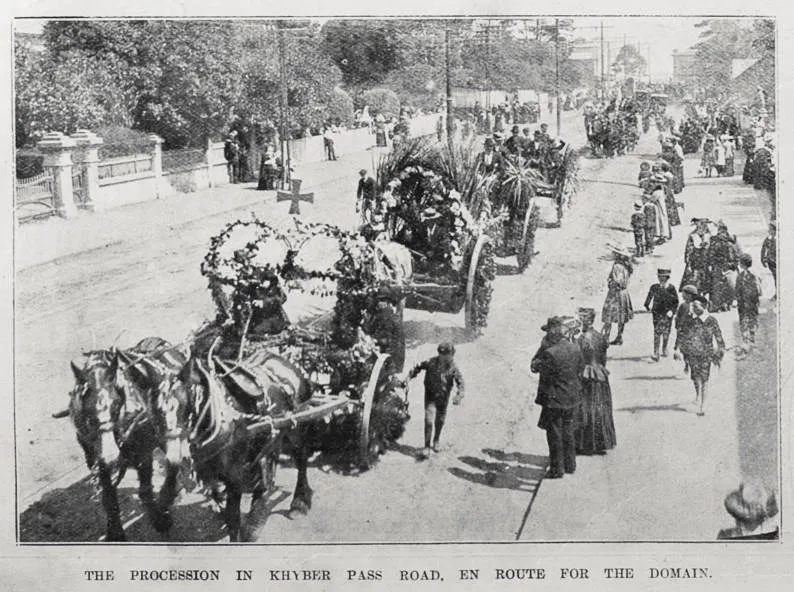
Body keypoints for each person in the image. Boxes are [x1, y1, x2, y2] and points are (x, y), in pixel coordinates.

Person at [531, 317, 584, 478]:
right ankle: (570, 464)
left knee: (554, 433)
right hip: (572, 396)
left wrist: (540, 354)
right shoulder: (575, 348)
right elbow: (580, 369)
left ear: (552, 334)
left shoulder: (549, 353)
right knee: (568, 430)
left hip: (555, 399)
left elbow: (536, 368)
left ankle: (557, 469)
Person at [406, 343, 465, 459]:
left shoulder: (453, 367)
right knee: (428, 420)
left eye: (450, 356)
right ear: (440, 354)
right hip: (430, 395)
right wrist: (408, 378)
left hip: (443, 397)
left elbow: (460, 382)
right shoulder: (430, 362)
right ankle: (427, 446)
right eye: (445, 355)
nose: (448, 358)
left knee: (440, 419)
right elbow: (417, 368)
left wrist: (459, 395)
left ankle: (436, 439)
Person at [574, 308, 616, 456]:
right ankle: (601, 442)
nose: (580, 323)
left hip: (586, 375)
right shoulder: (600, 336)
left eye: (581, 320)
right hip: (600, 374)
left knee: (586, 408)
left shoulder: (581, 339)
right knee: (600, 408)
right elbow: (603, 358)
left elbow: (578, 360)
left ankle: (586, 443)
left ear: (588, 321)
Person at [681, 296, 725, 416]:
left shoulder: (711, 320)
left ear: (704, 307)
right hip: (692, 353)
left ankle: (703, 404)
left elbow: (718, 335)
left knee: (704, 378)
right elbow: (683, 334)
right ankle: (698, 394)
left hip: (706, 353)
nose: (693, 308)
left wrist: (721, 348)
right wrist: (681, 349)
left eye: (696, 306)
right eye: (693, 306)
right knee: (695, 377)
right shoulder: (689, 320)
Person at [644, 268, 680, 361]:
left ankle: (664, 348)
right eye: (659, 277)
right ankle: (656, 351)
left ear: (667, 277)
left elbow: (676, 302)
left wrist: (672, 311)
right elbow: (649, 297)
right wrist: (647, 306)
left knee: (666, 331)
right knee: (657, 331)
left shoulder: (671, 288)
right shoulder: (654, 287)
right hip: (657, 312)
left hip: (668, 313)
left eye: (663, 277)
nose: (660, 279)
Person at [601, 247, 634, 345]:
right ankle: (619, 337)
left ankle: (606, 338)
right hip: (624, 294)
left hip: (615, 293)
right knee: (621, 316)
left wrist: (610, 283)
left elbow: (617, 281)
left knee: (608, 315)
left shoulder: (617, 266)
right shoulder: (627, 266)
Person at [707, 220, 740, 312]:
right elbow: (710, 256)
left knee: (730, 285)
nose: (721, 234)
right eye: (720, 232)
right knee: (716, 286)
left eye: (723, 232)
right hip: (718, 267)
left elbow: (737, 257)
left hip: (729, 268)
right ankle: (717, 304)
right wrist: (713, 265)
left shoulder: (731, 244)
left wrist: (731, 265)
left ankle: (727, 303)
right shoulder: (715, 243)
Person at [735, 253, 761, 354]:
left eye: (740, 262)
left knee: (751, 321)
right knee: (745, 322)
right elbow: (737, 290)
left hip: (750, 303)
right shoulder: (741, 275)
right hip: (744, 304)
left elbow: (758, 290)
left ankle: (751, 341)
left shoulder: (750, 275)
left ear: (742, 264)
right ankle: (746, 342)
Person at [680, 218, 712, 297]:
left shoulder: (709, 235)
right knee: (695, 281)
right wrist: (688, 262)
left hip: (706, 262)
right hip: (696, 263)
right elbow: (689, 250)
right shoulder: (693, 235)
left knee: (706, 282)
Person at [673, 285, 699, 375]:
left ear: (689, 295)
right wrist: (677, 325)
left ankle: (690, 364)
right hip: (684, 329)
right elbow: (678, 316)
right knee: (684, 348)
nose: (682, 295)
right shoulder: (682, 305)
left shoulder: (693, 305)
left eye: (684, 293)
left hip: (689, 330)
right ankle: (687, 363)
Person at [761, 222, 777, 299]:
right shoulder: (768, 239)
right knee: (776, 277)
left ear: (775, 230)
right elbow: (763, 249)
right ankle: (777, 293)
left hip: (777, 262)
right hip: (772, 262)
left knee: (777, 278)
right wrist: (763, 260)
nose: (768, 231)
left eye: (770, 229)